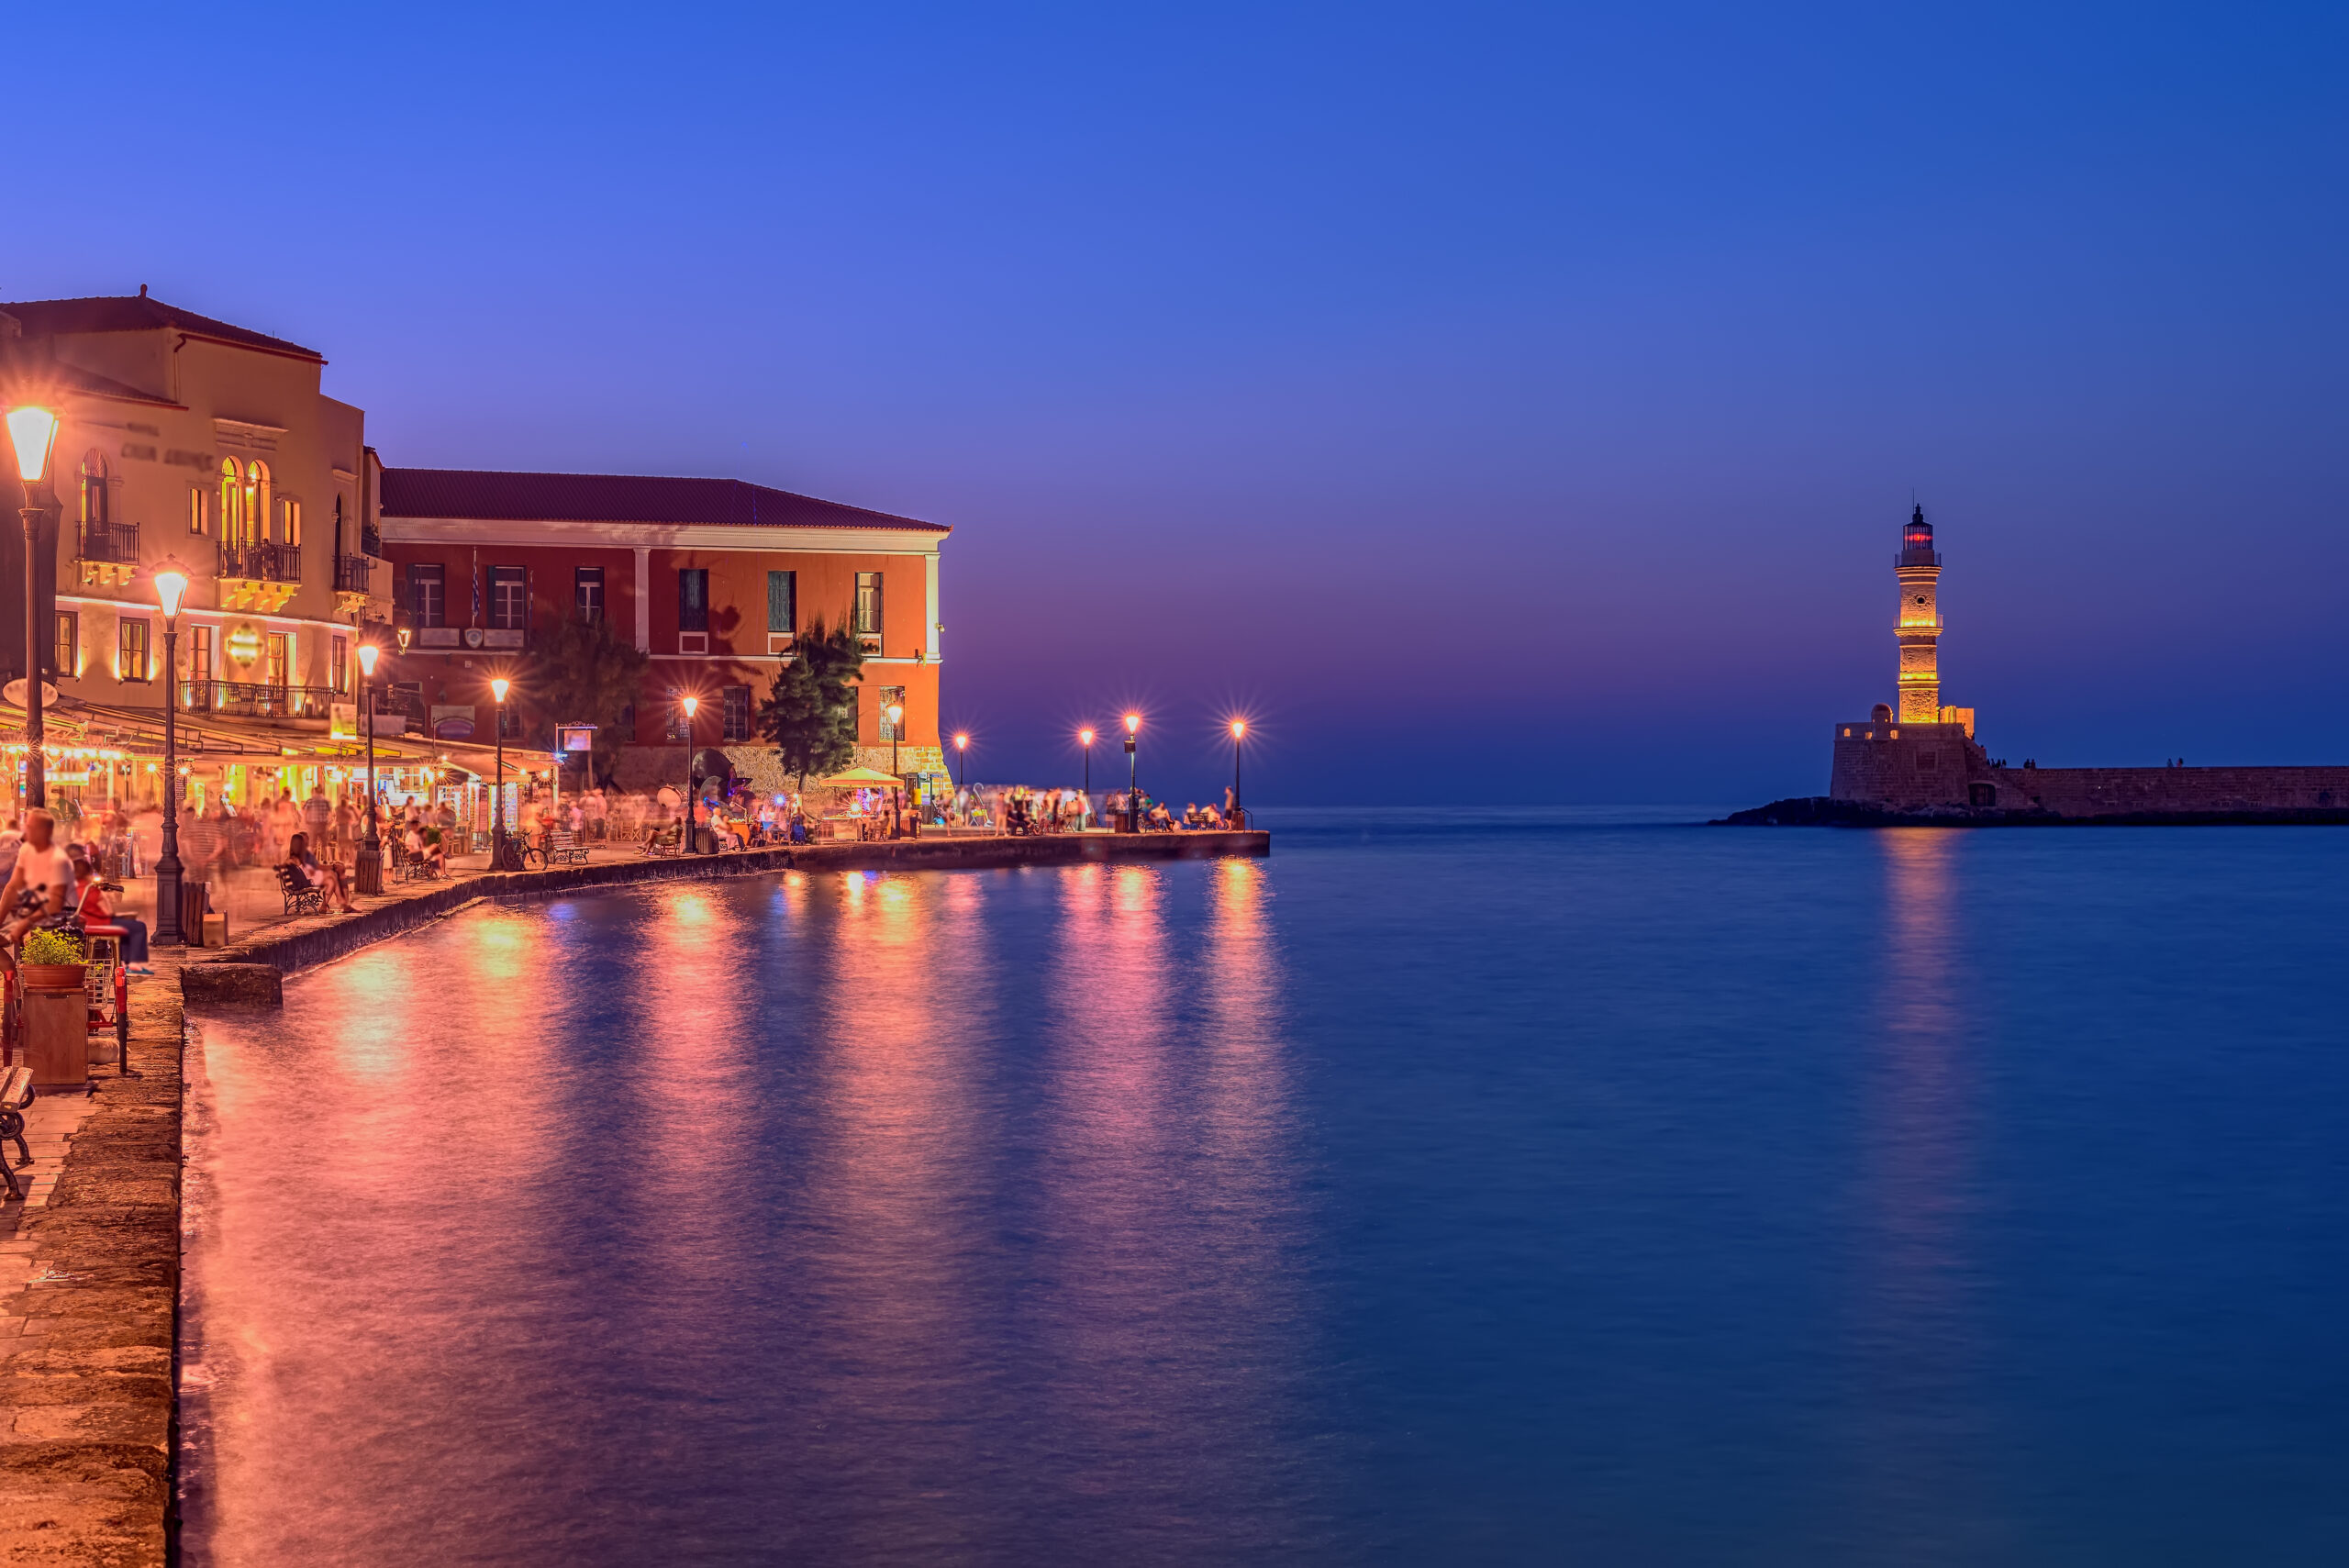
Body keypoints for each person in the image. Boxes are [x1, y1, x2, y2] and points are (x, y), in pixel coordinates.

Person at [0, 810, 77, 948]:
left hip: (63, 914)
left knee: (28, 941)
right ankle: (14, 969)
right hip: (37, 908)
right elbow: (13, 887)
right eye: (26, 826)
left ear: (47, 831)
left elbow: (55, 905)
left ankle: (22, 968)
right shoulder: (27, 850)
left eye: (32, 827)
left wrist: (23, 925)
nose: (26, 831)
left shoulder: (58, 859)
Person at [71, 854, 148, 963]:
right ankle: (131, 964)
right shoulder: (91, 890)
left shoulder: (70, 888)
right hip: (98, 923)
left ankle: (123, 961)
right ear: (88, 873)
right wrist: (105, 896)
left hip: (81, 923)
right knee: (138, 927)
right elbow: (108, 912)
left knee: (126, 924)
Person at [283, 831, 357, 914]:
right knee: (334, 876)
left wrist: (331, 867)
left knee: (336, 876)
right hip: (306, 882)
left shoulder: (298, 855)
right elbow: (314, 868)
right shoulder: (297, 857)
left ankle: (336, 905)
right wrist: (332, 867)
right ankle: (338, 905)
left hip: (308, 879)